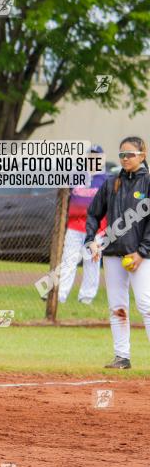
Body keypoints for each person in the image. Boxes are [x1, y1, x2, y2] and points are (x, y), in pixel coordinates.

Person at [85, 136, 150, 370]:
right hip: (112, 254)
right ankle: (122, 357)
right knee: (117, 307)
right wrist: (91, 240)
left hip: (142, 257)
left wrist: (142, 252)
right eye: (122, 154)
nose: (125, 158)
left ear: (142, 156)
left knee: (146, 305)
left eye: (130, 154)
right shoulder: (111, 182)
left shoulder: (148, 183)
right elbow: (93, 214)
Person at [57, 144, 107, 304]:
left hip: (97, 229)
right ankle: (61, 295)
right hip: (74, 227)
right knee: (68, 260)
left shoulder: (107, 180)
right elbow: (64, 196)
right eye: (90, 157)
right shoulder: (76, 176)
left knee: (92, 261)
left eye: (96, 157)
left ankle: (86, 297)